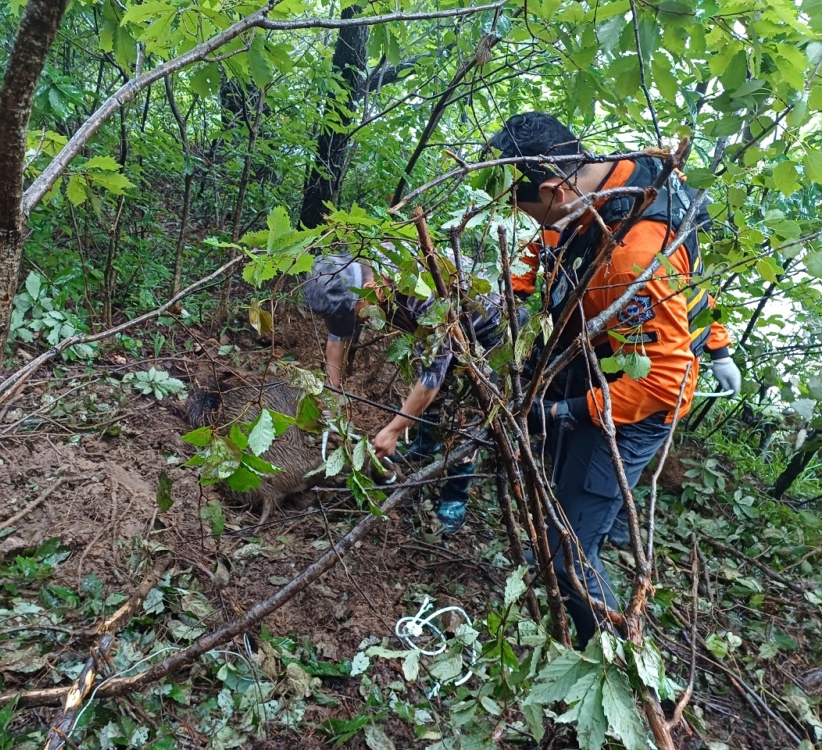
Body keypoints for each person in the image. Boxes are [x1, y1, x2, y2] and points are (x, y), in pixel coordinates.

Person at [488, 112, 741, 647]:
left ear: (554, 189)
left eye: (526, 209)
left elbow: (663, 382)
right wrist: (509, 294)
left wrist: (563, 411)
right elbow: (550, 249)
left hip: (632, 405)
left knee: (572, 555)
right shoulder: (608, 183)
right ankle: (558, 572)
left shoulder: (631, 255)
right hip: (592, 367)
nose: (529, 224)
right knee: (559, 510)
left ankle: (600, 657)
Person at [303, 251, 510, 534]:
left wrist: (395, 429)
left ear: (369, 287)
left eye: (352, 310)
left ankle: (455, 495)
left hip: (485, 334)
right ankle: (425, 447)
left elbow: (431, 377)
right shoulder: (351, 278)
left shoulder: (418, 291)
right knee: (434, 399)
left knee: (465, 415)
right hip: (438, 337)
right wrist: (332, 398)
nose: (353, 318)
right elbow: (337, 340)